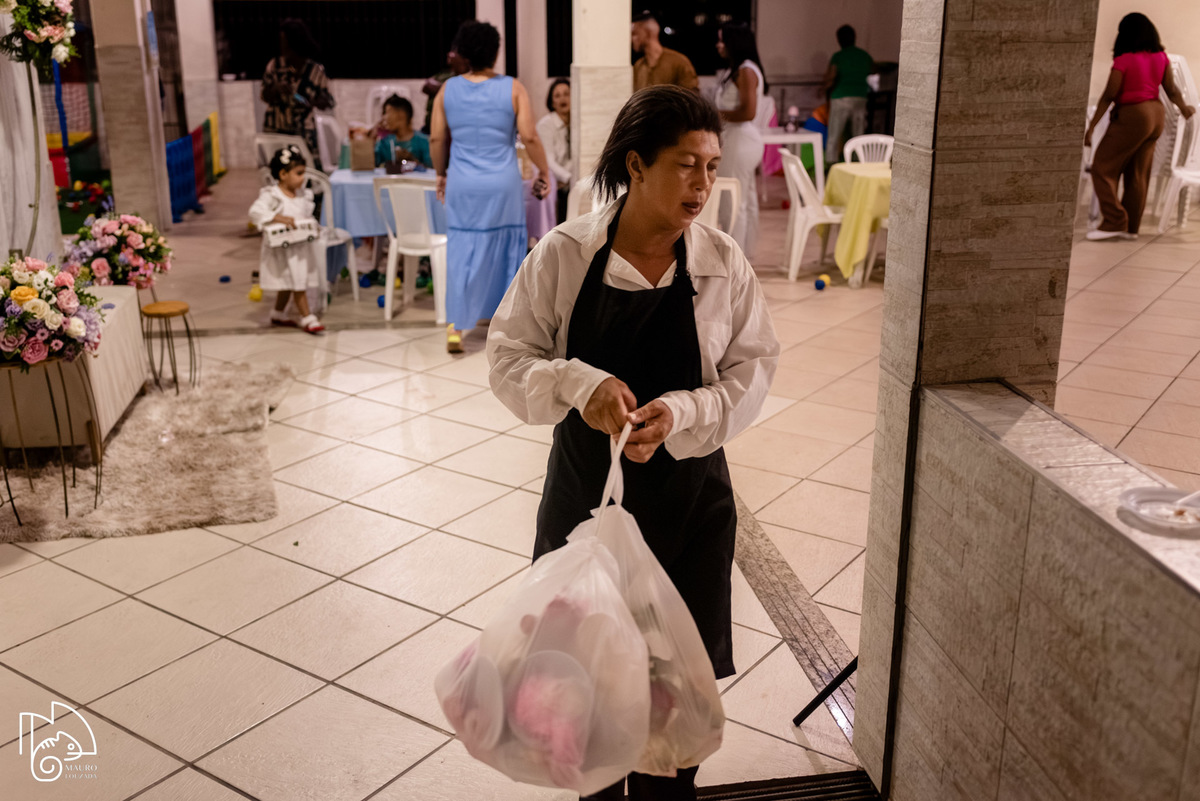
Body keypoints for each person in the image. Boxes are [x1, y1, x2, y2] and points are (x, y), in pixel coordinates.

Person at [487, 86, 780, 800]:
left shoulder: (720, 263)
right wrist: (578, 385)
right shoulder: (566, 255)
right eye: (686, 165)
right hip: (588, 501)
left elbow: (754, 369)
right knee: (588, 690)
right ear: (637, 164)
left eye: (711, 167)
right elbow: (507, 357)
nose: (704, 185)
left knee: (674, 697)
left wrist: (681, 412)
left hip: (691, 506)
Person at [431, 20, 551, 353]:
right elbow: (528, 135)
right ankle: (507, 328)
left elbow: (438, 137)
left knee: (461, 250)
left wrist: (442, 173)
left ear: (464, 52)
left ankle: (456, 328)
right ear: (495, 52)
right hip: (502, 184)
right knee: (506, 251)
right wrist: (544, 169)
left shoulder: (447, 90)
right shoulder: (513, 88)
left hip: (463, 183)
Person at [1085, 13, 1195, 240]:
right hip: (1156, 115)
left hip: (1134, 114)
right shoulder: (1160, 57)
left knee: (1103, 167)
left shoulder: (1123, 61)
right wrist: (1184, 108)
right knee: (1138, 173)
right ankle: (1130, 228)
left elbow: (1109, 95)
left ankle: (1114, 221)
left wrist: (1092, 127)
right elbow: (1171, 90)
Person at [248, 146, 325, 335]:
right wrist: (278, 217)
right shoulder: (273, 195)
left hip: (300, 249)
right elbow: (255, 212)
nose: (303, 178)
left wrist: (313, 226)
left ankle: (278, 313)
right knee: (297, 283)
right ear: (283, 174)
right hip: (284, 250)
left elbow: (306, 216)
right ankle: (308, 317)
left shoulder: (302, 195)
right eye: (298, 173)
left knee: (290, 282)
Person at [714, 22, 767, 257]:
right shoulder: (738, 69)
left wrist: (715, 115)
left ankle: (734, 256)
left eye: (722, 40)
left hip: (741, 140)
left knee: (734, 200)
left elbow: (748, 112)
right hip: (737, 139)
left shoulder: (746, 70)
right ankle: (744, 252)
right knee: (744, 198)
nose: (719, 45)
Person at [261, 19, 335, 170]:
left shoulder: (315, 71)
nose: (282, 46)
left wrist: (312, 102)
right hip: (276, 129)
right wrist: (276, 88)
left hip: (303, 132)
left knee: (305, 171)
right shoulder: (275, 66)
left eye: (285, 41)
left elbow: (328, 101)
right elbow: (264, 95)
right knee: (279, 171)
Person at [821, 24, 873, 167]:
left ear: (839, 40)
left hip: (841, 97)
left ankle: (831, 165)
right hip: (861, 97)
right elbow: (872, 73)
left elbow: (831, 77)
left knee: (834, 134)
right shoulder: (864, 56)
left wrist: (823, 87)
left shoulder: (838, 56)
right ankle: (858, 164)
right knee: (858, 134)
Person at [631, 11, 699, 92]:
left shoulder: (679, 62)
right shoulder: (639, 66)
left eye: (634, 34)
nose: (631, 39)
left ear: (648, 32)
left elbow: (691, 98)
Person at [537, 78, 574, 224]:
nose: (562, 99)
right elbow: (548, 161)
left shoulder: (576, 122)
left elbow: (576, 156)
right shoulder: (546, 125)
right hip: (550, 180)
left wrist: (570, 178)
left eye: (566, 94)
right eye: (557, 96)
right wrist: (569, 178)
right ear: (552, 103)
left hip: (566, 181)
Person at [375, 94, 432, 167]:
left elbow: (432, 171)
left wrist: (413, 161)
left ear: (401, 115)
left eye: (387, 112)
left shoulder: (424, 142)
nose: (384, 117)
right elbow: (370, 166)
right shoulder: (384, 144)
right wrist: (371, 138)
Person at [421, 49, 469, 135]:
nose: (449, 54)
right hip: (430, 124)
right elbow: (425, 87)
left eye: (454, 53)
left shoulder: (466, 78)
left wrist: (439, 88)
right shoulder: (444, 74)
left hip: (448, 128)